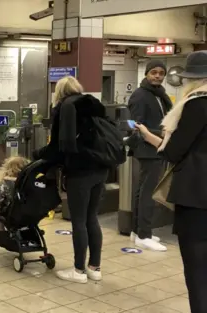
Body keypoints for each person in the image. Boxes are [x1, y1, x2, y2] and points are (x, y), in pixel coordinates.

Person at [134, 51, 207, 313]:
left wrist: (165, 136)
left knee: (198, 269)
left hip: (197, 195)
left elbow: (174, 152)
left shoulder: (197, 103)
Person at [33, 76, 109, 284]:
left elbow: (58, 146)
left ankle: (78, 270)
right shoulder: (93, 104)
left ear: (59, 92)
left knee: (78, 220)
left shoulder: (65, 107)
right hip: (101, 168)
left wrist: (38, 154)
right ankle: (95, 268)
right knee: (91, 217)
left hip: (80, 170)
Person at [127, 60, 172, 251]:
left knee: (143, 190)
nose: (158, 76)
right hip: (148, 148)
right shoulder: (140, 95)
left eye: (161, 73)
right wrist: (162, 133)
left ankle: (138, 232)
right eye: (154, 72)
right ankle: (144, 234)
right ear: (146, 73)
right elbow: (136, 125)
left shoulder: (160, 95)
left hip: (156, 148)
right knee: (148, 192)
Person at [0, 156, 30, 231]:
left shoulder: (4, 183)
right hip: (27, 214)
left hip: (10, 215)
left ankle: (2, 231)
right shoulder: (28, 182)